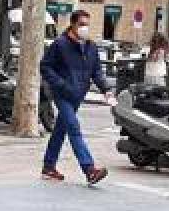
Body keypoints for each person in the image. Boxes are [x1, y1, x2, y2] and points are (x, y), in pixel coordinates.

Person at [39, 10, 114, 185]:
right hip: (62, 93)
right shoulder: (60, 44)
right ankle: (89, 169)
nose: (84, 28)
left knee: (60, 129)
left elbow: (96, 71)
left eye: (87, 24)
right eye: (81, 24)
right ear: (72, 25)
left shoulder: (91, 47)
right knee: (73, 128)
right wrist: (61, 84)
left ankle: (48, 166)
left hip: (78, 95)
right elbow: (45, 67)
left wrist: (106, 90)